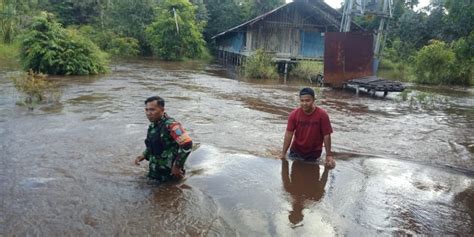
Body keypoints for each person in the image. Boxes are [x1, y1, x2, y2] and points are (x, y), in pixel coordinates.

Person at [135, 96, 193, 182]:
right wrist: (144, 155)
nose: (148, 113)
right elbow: (154, 144)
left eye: (152, 110)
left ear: (162, 110)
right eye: (146, 110)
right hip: (155, 170)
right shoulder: (153, 125)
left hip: (169, 173)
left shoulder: (171, 125)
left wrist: (177, 166)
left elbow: (187, 143)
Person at [280, 88, 335, 168]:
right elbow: (289, 134)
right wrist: (283, 153)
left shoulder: (322, 115)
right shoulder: (293, 115)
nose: (304, 103)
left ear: (313, 100)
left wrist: (328, 155)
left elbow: (326, 135)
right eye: (302, 101)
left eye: (307, 100)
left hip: (314, 154)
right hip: (296, 152)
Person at [281, 159, 329, 225]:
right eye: (297, 213)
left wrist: (284, 160)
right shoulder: (314, 198)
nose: (296, 210)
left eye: (295, 212)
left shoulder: (289, 192)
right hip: (310, 159)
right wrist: (327, 169)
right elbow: (322, 184)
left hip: (301, 159)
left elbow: (285, 174)